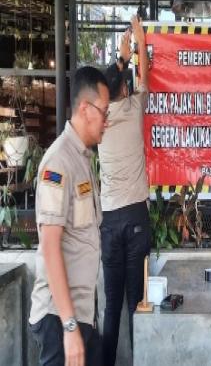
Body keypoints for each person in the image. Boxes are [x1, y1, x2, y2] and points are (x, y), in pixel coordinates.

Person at [29, 66, 110, 366]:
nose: (107, 121)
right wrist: (69, 326)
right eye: (104, 111)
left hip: (80, 314)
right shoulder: (58, 163)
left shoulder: (82, 159)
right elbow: (51, 246)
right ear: (85, 109)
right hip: (59, 320)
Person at [99, 16, 151, 366]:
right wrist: (138, 36)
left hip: (109, 221)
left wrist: (121, 58)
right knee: (138, 302)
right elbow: (144, 72)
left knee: (112, 304)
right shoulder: (133, 110)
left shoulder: (100, 123)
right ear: (124, 89)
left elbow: (128, 75)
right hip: (135, 217)